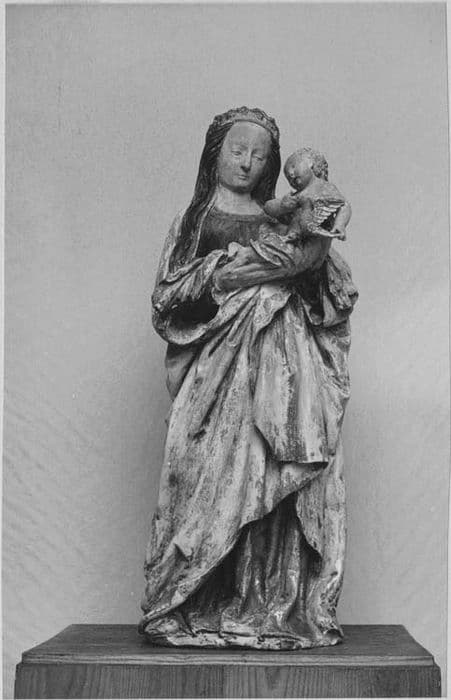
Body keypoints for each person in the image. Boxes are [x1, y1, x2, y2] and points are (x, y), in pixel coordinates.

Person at [139, 106, 358, 650]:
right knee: (207, 483)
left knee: (270, 481)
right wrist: (222, 272)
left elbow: (331, 294)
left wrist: (300, 270)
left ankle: (264, 607)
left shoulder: (283, 219)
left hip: (280, 367)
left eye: (259, 156)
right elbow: (166, 298)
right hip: (218, 372)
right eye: (237, 151)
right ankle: (189, 599)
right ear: (215, 154)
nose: (247, 163)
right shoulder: (194, 222)